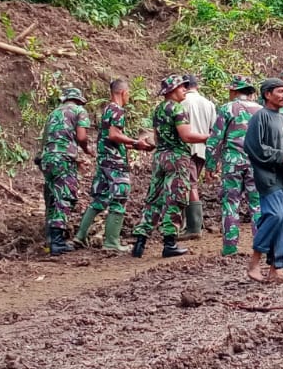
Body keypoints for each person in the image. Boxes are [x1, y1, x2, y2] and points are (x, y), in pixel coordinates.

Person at [130, 75, 209, 259]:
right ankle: (169, 243)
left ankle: (140, 240)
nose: (184, 90)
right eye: (182, 87)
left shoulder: (158, 110)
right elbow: (186, 136)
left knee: (154, 198)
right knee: (175, 198)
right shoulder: (177, 109)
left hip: (160, 157)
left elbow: (157, 137)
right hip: (177, 158)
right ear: (172, 90)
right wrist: (208, 137)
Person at [76, 80, 153, 252]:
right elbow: (114, 135)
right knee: (120, 197)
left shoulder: (107, 109)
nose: (129, 97)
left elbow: (109, 137)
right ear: (123, 92)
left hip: (104, 159)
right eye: (128, 93)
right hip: (114, 163)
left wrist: (135, 146)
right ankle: (112, 242)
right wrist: (135, 141)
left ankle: (79, 236)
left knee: (100, 198)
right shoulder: (117, 110)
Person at [244, 78, 283, 283]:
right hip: (268, 176)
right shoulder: (260, 117)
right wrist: (279, 156)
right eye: (281, 91)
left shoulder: (282, 118)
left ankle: (276, 268)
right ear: (267, 94)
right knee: (274, 215)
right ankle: (254, 263)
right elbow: (253, 147)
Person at [209, 76, 262, 257]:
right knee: (257, 204)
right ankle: (260, 244)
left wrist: (211, 164)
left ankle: (230, 247)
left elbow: (215, 138)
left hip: (232, 162)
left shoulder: (227, 108)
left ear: (233, 91)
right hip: (256, 162)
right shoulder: (261, 111)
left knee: (231, 203)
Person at [38, 86, 92, 256]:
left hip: (47, 159)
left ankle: (51, 238)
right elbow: (81, 137)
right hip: (63, 160)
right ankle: (57, 242)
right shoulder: (79, 111)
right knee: (66, 197)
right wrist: (86, 149)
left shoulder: (53, 114)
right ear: (79, 100)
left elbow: (48, 140)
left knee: (53, 196)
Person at [180, 74, 218, 239]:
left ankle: (194, 226)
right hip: (202, 150)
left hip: (185, 148)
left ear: (184, 86)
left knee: (189, 185)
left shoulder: (181, 102)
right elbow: (214, 132)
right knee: (191, 184)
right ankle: (192, 224)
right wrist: (214, 159)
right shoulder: (209, 104)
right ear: (197, 86)